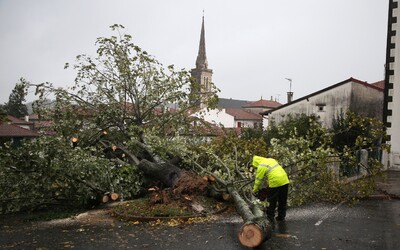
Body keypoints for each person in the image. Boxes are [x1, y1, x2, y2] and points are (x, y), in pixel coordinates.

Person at [252, 155, 289, 224]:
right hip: (285, 180)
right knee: (282, 200)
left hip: (275, 182)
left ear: (256, 164)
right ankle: (281, 217)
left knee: (271, 201)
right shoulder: (271, 160)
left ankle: (270, 219)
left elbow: (258, 180)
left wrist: (254, 190)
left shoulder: (261, 166)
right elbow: (274, 172)